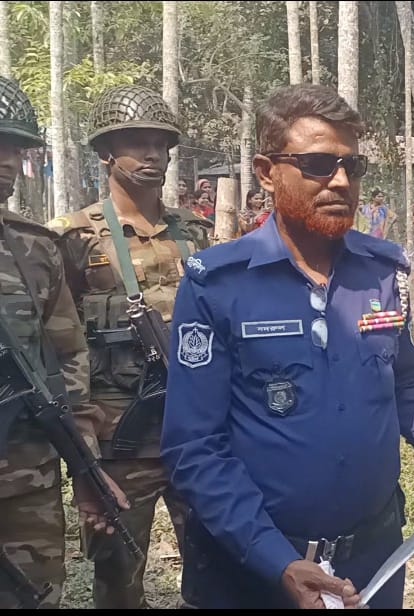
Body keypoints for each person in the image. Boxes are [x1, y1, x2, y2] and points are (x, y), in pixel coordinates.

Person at [160, 84, 414, 610]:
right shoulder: (219, 284)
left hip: (373, 561)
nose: (340, 181)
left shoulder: (382, 271)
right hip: (257, 569)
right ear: (266, 172)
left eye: (352, 166)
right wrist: (274, 559)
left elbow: (400, 386)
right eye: (317, 164)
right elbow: (195, 447)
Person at [47, 84, 213, 610]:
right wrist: (81, 449)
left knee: (215, 573)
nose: (152, 154)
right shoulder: (73, 238)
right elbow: (59, 345)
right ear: (105, 152)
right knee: (118, 580)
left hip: (195, 433)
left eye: (161, 144)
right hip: (119, 441)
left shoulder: (194, 232)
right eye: (137, 142)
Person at [0, 75, 122, 610]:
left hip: (26, 484)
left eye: (16, 148)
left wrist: (85, 464)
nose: (8, 161)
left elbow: (68, 358)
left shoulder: (35, 248)